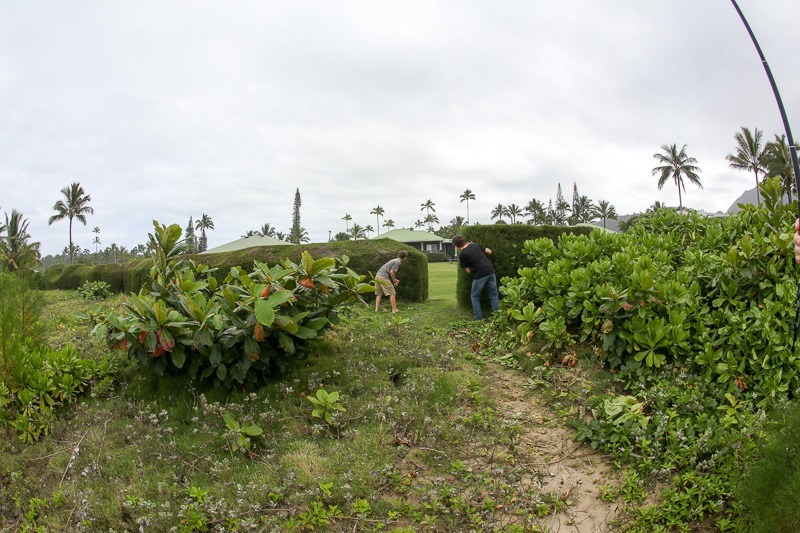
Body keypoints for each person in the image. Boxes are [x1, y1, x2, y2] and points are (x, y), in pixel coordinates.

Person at [453, 235, 499, 320]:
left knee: (474, 297)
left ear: (456, 246)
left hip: (480, 274)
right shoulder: (475, 245)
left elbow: (468, 271)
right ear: (464, 241)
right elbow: (489, 251)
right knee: (493, 295)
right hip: (490, 271)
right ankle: (497, 318)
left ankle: (479, 319)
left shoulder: (463, 254)